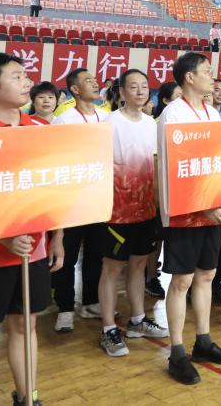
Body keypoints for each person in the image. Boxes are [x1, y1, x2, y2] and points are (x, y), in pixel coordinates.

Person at [0, 53, 64, 406]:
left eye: (25, 76)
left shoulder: (41, 131)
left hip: (34, 249)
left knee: (25, 325)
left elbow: (53, 190)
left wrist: (57, 236)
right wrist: (1, 236)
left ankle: (28, 397)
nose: (26, 82)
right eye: (16, 77)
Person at [158, 53, 221, 384]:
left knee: (207, 275)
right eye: (206, 72)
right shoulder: (173, 114)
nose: (213, 77)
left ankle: (203, 341)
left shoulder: (212, 112)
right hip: (185, 210)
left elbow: (217, 162)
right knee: (182, 281)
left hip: (212, 207)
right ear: (189, 77)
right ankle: (176, 352)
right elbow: (175, 168)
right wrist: (202, 206)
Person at [97, 69, 168, 358]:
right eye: (133, 87)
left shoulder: (151, 123)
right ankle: (108, 329)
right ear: (122, 92)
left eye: (144, 87)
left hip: (146, 208)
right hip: (117, 211)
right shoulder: (110, 123)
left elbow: (156, 163)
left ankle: (138, 320)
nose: (140, 92)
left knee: (139, 264)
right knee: (112, 268)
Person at [51, 68, 108, 332]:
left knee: (96, 254)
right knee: (68, 255)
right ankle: (64, 309)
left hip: (99, 197)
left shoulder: (106, 117)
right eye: (88, 81)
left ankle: (90, 303)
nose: (95, 84)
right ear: (74, 89)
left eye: (95, 80)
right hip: (71, 199)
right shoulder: (63, 120)